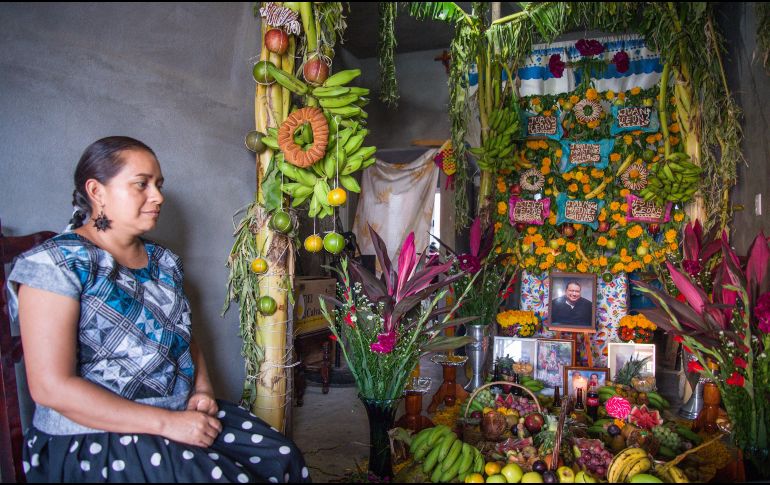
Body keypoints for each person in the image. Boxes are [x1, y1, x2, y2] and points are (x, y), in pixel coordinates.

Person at [7, 137, 310, 483]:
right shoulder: (55, 264)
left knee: (282, 456)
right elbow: (51, 388)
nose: (158, 196)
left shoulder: (164, 261)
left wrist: (202, 390)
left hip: (178, 411)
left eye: (159, 184)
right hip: (97, 433)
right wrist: (168, 424)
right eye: (141, 184)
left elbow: (184, 336)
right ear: (97, 191)